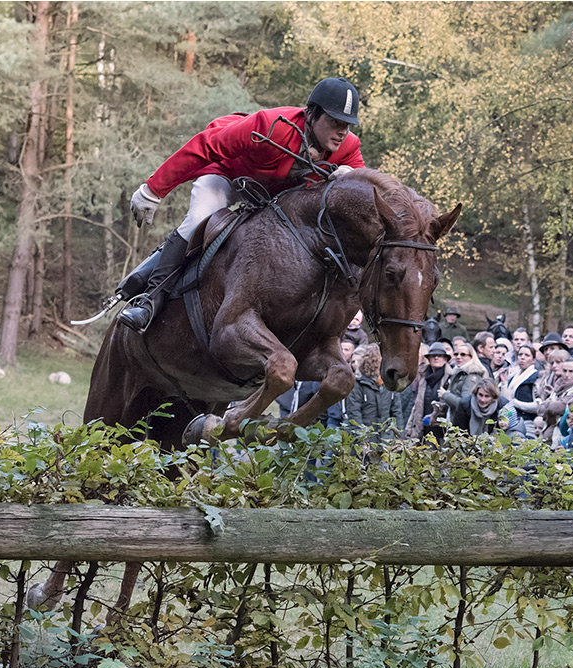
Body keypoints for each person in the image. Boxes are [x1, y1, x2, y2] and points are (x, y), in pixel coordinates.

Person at [118, 77, 364, 332]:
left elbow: (364, 192)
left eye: (347, 125)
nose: (342, 132)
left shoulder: (348, 147)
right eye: (335, 122)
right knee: (199, 218)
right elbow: (206, 146)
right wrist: (154, 189)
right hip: (228, 175)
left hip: (269, 200)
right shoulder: (271, 126)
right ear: (311, 114)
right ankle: (149, 301)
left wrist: (349, 180)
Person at [345, 344, 403, 440]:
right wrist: (362, 438)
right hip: (367, 440)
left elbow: (396, 413)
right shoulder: (359, 384)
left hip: (386, 439)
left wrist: (399, 439)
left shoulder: (389, 384)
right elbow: (354, 414)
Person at [404, 342, 453, 441]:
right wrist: (409, 429)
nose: (436, 358)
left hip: (442, 429)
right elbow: (416, 405)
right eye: (433, 356)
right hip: (423, 428)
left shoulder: (451, 377)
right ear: (429, 359)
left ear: (446, 359)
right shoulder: (423, 376)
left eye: (440, 356)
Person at [448, 379, 526, 439]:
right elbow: (458, 430)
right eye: (480, 395)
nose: (482, 400)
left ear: (493, 397)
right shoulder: (465, 404)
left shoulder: (503, 405)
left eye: (487, 396)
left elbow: (513, 428)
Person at [439, 341, 489, 423]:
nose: (458, 357)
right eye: (456, 354)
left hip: (465, 423)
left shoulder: (472, 376)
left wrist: (445, 395)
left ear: (471, 357)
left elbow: (466, 404)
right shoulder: (457, 372)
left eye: (463, 354)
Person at [501, 344, 539, 437]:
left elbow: (538, 406)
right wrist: (504, 383)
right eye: (520, 354)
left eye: (527, 355)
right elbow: (506, 399)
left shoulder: (536, 377)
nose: (522, 358)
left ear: (533, 360)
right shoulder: (513, 376)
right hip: (511, 421)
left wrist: (515, 403)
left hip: (528, 423)